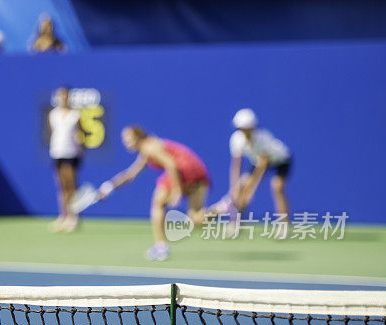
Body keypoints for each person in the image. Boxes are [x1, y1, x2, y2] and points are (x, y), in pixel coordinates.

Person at [98, 125, 210, 261]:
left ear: (139, 137)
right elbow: (131, 174)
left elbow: (171, 164)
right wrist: (110, 186)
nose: (126, 143)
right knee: (195, 217)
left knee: (158, 203)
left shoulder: (149, 147)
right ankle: (223, 208)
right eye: (125, 139)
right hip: (196, 169)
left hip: (183, 169)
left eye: (129, 139)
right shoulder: (148, 148)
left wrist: (177, 190)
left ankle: (161, 247)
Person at [221, 108, 292, 223]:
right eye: (242, 129)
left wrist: (250, 192)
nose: (245, 132)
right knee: (241, 187)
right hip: (258, 162)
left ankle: (284, 225)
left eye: (248, 129)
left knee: (277, 187)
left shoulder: (263, 138)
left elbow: (262, 167)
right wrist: (234, 189)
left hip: (281, 160)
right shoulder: (236, 139)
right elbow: (236, 166)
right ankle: (235, 224)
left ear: (253, 128)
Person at [47, 87, 83, 233]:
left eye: (64, 96)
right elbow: (52, 132)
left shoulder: (76, 114)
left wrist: (81, 148)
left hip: (72, 153)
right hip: (57, 153)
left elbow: (81, 134)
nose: (62, 98)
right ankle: (63, 216)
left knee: (71, 186)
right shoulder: (53, 114)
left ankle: (74, 217)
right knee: (61, 186)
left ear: (69, 97)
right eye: (59, 96)